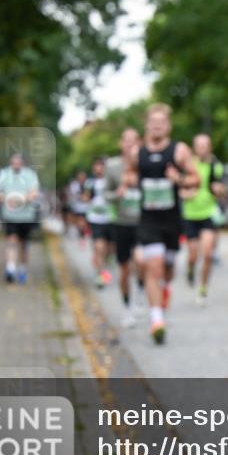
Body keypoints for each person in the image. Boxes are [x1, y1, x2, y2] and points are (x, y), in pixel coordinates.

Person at [127, 103, 198, 345]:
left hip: (172, 219)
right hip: (148, 219)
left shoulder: (179, 150)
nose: (157, 126)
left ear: (168, 126)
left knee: (167, 267)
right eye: (152, 122)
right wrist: (131, 182)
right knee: (153, 266)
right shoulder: (137, 152)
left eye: (161, 122)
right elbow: (129, 174)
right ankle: (157, 320)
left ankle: (164, 288)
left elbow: (195, 178)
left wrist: (177, 178)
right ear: (147, 125)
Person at [105, 128, 146, 327]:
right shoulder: (112, 166)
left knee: (140, 259)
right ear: (121, 144)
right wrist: (118, 193)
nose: (130, 144)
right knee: (124, 269)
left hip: (141, 222)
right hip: (120, 223)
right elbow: (106, 195)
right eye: (126, 141)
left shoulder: (145, 163)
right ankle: (126, 307)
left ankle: (140, 288)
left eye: (134, 141)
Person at [182, 133, 226, 307]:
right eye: (198, 145)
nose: (201, 149)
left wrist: (219, 190)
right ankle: (191, 269)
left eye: (204, 145)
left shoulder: (216, 166)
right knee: (193, 255)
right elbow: (179, 188)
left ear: (210, 147)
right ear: (194, 148)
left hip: (208, 213)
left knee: (207, 254)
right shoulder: (188, 165)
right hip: (190, 214)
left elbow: (222, 192)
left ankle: (202, 288)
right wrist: (185, 193)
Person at [0, 153, 42, 284]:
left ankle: (23, 268)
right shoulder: (3, 174)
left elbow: (34, 192)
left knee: (23, 244)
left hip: (26, 217)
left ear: (22, 163)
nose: (16, 165)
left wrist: (20, 200)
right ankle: (10, 268)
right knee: (11, 240)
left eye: (18, 162)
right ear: (10, 162)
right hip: (10, 216)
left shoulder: (30, 175)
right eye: (14, 162)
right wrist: (6, 199)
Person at [83, 157, 114, 288]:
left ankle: (104, 265)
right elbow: (85, 197)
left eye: (101, 165)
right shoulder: (90, 182)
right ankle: (101, 274)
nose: (99, 168)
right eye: (97, 165)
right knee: (99, 246)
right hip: (95, 219)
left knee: (110, 249)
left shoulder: (111, 181)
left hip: (111, 218)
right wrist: (88, 199)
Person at [68, 170, 90, 246]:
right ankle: (82, 236)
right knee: (81, 222)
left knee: (85, 223)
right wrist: (82, 197)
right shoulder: (74, 185)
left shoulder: (88, 184)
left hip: (87, 208)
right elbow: (74, 195)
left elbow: (89, 195)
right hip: (78, 208)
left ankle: (83, 234)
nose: (82, 178)